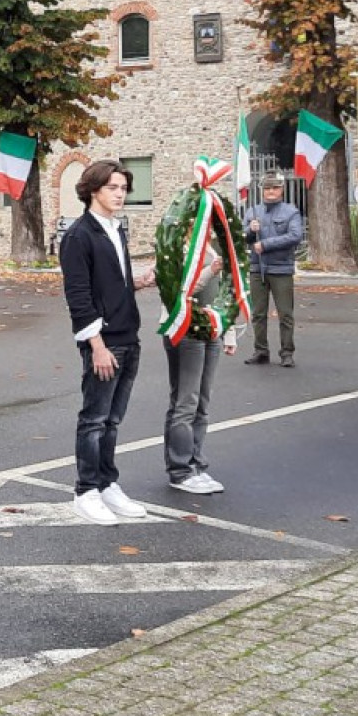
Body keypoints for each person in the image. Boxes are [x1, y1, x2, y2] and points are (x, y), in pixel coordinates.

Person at [61, 159, 155, 526]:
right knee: (94, 420)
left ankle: (106, 483)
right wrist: (97, 346)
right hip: (104, 342)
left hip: (129, 335)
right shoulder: (79, 236)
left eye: (123, 188)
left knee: (112, 420)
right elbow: (79, 297)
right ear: (92, 190)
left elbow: (111, 282)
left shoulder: (116, 229)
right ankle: (86, 490)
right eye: (112, 187)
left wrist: (136, 283)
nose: (120, 194)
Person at [163, 261, 237, 495]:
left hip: (211, 328)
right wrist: (210, 270)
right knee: (186, 402)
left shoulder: (214, 245)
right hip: (184, 328)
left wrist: (229, 331)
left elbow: (225, 289)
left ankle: (195, 464)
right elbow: (177, 290)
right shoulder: (177, 245)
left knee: (202, 403)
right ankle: (180, 469)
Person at [243, 172, 304, 367]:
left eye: (275, 188)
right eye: (267, 188)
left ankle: (287, 352)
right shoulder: (252, 212)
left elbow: (295, 236)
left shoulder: (290, 212)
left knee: (285, 314)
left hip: (281, 269)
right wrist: (250, 230)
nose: (271, 191)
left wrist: (266, 244)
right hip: (257, 268)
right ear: (262, 190)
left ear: (282, 190)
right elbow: (241, 237)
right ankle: (260, 350)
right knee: (258, 314)